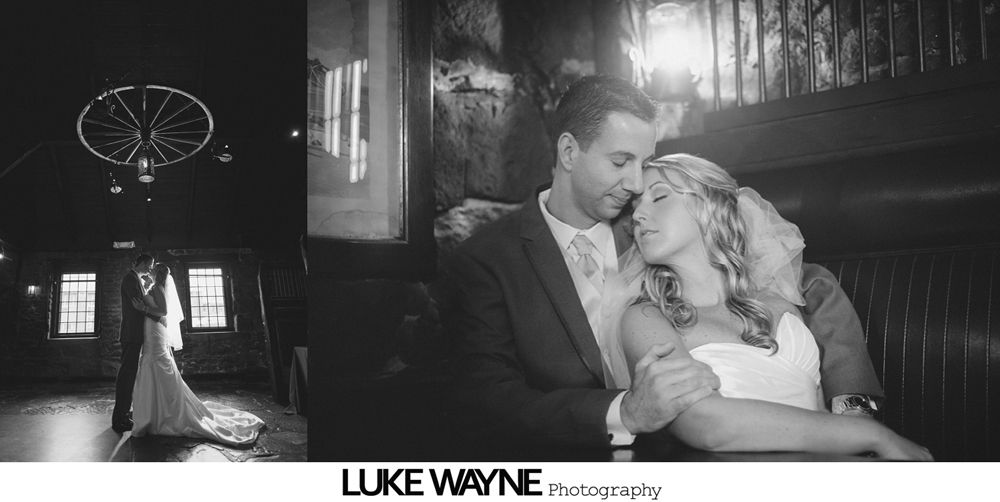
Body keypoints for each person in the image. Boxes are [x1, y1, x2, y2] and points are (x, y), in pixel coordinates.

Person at [446, 75, 882, 452]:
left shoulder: (650, 226)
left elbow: (800, 280)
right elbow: (489, 400)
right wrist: (623, 412)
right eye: (620, 162)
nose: (635, 184)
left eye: (644, 162)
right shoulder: (486, 262)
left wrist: (853, 411)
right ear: (568, 152)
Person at [613, 153, 930, 459]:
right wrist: (873, 436)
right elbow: (706, 423)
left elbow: (847, 394)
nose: (637, 216)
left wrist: (864, 430)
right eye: (635, 206)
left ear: (711, 206)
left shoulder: (800, 294)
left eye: (659, 197)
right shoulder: (645, 318)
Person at [131, 263, 264, 446]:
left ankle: (163, 412)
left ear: (157, 273)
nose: (150, 269)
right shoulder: (154, 287)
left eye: (153, 269)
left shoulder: (159, 288)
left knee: (156, 362)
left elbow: (163, 311)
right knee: (152, 362)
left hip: (154, 329)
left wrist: (143, 309)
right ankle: (155, 411)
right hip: (152, 329)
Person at [112, 253, 161, 433]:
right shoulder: (130, 279)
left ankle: (125, 413)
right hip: (132, 334)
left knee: (130, 374)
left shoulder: (136, 279)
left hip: (135, 334)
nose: (150, 268)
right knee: (127, 375)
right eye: (149, 264)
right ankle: (119, 419)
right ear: (140, 263)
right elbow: (137, 305)